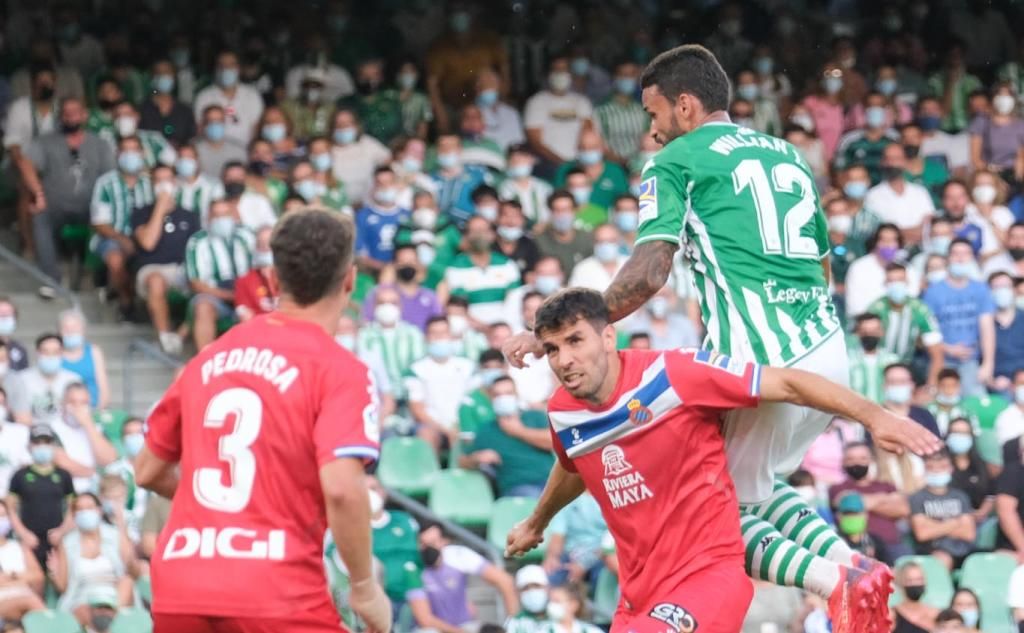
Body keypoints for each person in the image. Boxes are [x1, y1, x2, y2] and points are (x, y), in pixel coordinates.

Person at [503, 46, 941, 610]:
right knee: (757, 491)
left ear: (684, 106)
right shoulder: (787, 154)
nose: (653, 132)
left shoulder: (675, 161)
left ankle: (838, 586)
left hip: (761, 357)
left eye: (655, 115)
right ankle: (849, 562)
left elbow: (651, 269)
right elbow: (822, 263)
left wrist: (573, 330)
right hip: (827, 349)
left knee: (715, 515)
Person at [507, 289, 940, 631]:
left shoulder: (674, 375)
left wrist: (875, 416)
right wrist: (536, 522)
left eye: (574, 341)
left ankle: (839, 573)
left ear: (607, 336)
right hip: (637, 597)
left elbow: (787, 384)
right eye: (552, 349)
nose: (564, 360)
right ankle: (843, 570)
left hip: (707, 579)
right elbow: (571, 466)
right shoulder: (563, 410)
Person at [135, 209, 392, 632]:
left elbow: (146, 469)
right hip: (275, 585)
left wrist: (226, 518)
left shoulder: (208, 357)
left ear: (273, 280)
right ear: (349, 280)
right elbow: (344, 489)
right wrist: (364, 587)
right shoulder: (340, 369)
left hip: (181, 582)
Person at [17, 97, 113, 292]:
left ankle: (94, 276)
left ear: (84, 115)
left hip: (90, 206)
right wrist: (38, 193)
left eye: (75, 112)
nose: (71, 117)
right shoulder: (47, 141)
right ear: (60, 117)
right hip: (56, 204)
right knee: (39, 216)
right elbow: (25, 163)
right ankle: (51, 278)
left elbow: (111, 177)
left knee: (108, 218)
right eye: (66, 113)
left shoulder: (100, 144)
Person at [131, 164, 200, 354]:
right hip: (153, 269)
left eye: (168, 180)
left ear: (175, 182)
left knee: (203, 285)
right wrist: (160, 209)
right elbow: (147, 243)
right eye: (159, 180)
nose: (164, 185)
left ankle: (181, 335)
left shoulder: (190, 215)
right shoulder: (141, 212)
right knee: (156, 281)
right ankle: (165, 336)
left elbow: (197, 249)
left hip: (183, 269)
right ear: (153, 184)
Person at [90, 134, 154, 317]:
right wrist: (122, 239)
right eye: (125, 150)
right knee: (116, 259)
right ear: (118, 154)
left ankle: (117, 289)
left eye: (134, 150)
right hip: (112, 237)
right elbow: (99, 223)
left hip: (145, 237)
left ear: (142, 153)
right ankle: (126, 302)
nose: (130, 155)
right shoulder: (105, 183)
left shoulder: (150, 182)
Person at [411, 524, 519, 631]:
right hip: (435, 629)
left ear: (445, 541)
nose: (427, 548)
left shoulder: (457, 555)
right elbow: (425, 620)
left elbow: (505, 581)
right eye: (423, 544)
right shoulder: (412, 568)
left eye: (432, 543)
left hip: (464, 625)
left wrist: (512, 625)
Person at [924, 238, 996, 397]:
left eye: (965, 254)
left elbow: (987, 328)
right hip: (941, 361)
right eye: (956, 254)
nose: (961, 258)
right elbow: (926, 332)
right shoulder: (933, 292)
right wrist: (949, 348)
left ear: (972, 258)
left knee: (975, 405)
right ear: (948, 258)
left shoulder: (980, 289)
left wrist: (988, 363)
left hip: (971, 362)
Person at [460, 375, 554, 498]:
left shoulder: (535, 417)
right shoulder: (486, 430)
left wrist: (519, 431)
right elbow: (462, 461)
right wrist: (477, 458)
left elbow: (553, 442)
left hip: (551, 482)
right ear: (490, 398)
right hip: (518, 487)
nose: (503, 398)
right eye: (498, 395)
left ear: (516, 395)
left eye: (508, 393)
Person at [50, 492, 133, 623]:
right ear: (74, 515)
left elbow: (131, 568)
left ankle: (109, 620)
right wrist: (54, 573)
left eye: (89, 507)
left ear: (99, 511)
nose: (85, 512)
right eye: (80, 509)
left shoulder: (115, 535)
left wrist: (122, 525)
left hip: (114, 595)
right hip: (83, 597)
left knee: (127, 582)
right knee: (84, 610)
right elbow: (64, 588)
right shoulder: (67, 543)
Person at [829, 442, 913, 562]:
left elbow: (903, 510)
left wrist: (862, 501)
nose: (857, 463)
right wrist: (885, 498)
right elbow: (846, 503)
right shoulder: (838, 488)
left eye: (862, 458)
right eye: (851, 459)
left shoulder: (886, 486)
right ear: (843, 462)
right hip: (860, 547)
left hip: (892, 545)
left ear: (871, 460)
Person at [6, 424, 75, 567]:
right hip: (30, 540)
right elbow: (10, 508)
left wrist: (62, 531)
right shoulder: (20, 475)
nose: (42, 447)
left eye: (47, 442)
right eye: (37, 443)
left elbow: (73, 508)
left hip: (56, 539)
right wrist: (23, 533)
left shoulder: (63, 475)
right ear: (30, 446)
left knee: (59, 578)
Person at [406, 317, 476, 452]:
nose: (439, 338)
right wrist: (444, 429)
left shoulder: (468, 366)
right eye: (434, 333)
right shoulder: (416, 369)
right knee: (426, 434)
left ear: (450, 335)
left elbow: (474, 400)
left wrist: (459, 425)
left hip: (462, 422)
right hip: (432, 425)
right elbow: (417, 409)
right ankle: (430, 472)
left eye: (443, 333)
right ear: (426, 337)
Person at [866, 263, 943, 386]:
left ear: (907, 281)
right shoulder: (876, 309)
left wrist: (931, 387)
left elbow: (937, 353)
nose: (896, 285)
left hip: (909, 366)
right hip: (879, 368)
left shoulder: (920, 309)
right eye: (891, 281)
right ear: (885, 283)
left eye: (900, 280)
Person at [445, 216, 522, 325]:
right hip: (472, 331)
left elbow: (515, 302)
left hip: (506, 328)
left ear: (492, 235)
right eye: (475, 231)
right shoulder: (456, 267)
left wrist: (500, 329)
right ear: (466, 236)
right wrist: (485, 329)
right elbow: (459, 308)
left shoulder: (507, 265)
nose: (479, 235)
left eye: (483, 230)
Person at [524, 57, 594, 175]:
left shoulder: (582, 101)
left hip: (579, 163)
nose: (561, 74)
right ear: (549, 75)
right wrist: (562, 163)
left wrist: (578, 162)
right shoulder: (536, 102)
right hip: (548, 164)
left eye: (564, 70)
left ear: (571, 74)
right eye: (556, 70)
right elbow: (535, 140)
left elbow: (587, 133)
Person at [908, 451, 975, 570]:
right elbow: (922, 534)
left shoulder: (960, 496)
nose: (937, 471)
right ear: (924, 470)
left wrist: (932, 525)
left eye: (942, 467)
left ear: (951, 469)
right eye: (931, 467)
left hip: (964, 550)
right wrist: (955, 523)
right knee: (942, 560)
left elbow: (969, 534)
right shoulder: (917, 498)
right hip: (933, 551)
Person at [357, 285, 425, 401]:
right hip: (378, 399)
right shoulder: (364, 335)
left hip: (409, 398)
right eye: (381, 303)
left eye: (393, 303)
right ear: (374, 306)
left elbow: (418, 367)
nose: (387, 307)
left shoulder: (413, 334)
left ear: (400, 306)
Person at [862, 143, 935, 244]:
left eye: (897, 158)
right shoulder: (872, 195)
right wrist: (915, 232)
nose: (892, 163)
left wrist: (899, 233)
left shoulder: (920, 191)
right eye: (888, 159)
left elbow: (929, 225)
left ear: (905, 162)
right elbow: (880, 232)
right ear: (882, 162)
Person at [51, 382, 117, 494]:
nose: (78, 408)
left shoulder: (97, 428)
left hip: (95, 493)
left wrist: (88, 425)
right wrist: (94, 473)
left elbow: (108, 459)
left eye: (83, 403)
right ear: (63, 403)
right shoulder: (52, 428)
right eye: (72, 402)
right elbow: (62, 463)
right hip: (65, 490)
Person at [361, 246, 443, 332]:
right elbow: (366, 321)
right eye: (403, 262)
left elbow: (438, 325)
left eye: (411, 261)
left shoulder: (430, 297)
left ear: (419, 264)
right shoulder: (381, 294)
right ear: (395, 265)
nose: (407, 265)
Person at [7, 334, 82, 425]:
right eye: (45, 352)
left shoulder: (74, 380)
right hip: (32, 432)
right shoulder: (21, 379)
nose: (50, 356)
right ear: (37, 353)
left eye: (55, 352)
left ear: (62, 353)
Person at [193, 51, 264, 146]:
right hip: (213, 152)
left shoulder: (252, 95)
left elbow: (257, 128)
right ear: (216, 69)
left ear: (239, 68)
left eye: (231, 65)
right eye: (222, 65)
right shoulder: (204, 96)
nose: (226, 69)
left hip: (246, 152)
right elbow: (200, 129)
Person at [355, 167, 411, 277]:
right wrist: (386, 269)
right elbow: (360, 255)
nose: (385, 187)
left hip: (405, 275)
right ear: (373, 187)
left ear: (397, 185)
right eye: (380, 183)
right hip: (373, 275)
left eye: (389, 182)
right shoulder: (363, 216)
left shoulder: (408, 215)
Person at [329, 108, 391, 206]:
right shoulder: (328, 148)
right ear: (333, 128)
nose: (343, 127)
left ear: (356, 126)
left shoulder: (367, 143)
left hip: (368, 203)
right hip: (339, 205)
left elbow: (388, 161)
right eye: (339, 124)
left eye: (348, 123)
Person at [0, 499, 46, 623]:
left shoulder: (19, 547)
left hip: (26, 600)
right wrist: (21, 580)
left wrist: (11, 577)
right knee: (30, 601)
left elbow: (38, 577)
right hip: (11, 601)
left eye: (3, 515)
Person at [968, 83, 1024, 184]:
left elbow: (1021, 156)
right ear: (993, 98)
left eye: (1008, 95)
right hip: (988, 176)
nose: (1004, 99)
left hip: (1013, 177)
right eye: (1000, 95)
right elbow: (975, 159)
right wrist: (989, 171)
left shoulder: (1020, 125)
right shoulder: (981, 122)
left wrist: (1018, 178)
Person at [534, 190, 594, 279]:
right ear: (550, 213)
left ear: (574, 211)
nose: (562, 215)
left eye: (566, 210)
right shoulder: (538, 241)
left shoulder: (587, 239)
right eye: (557, 210)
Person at [139, 58, 196, 147]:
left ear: (174, 76)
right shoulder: (142, 109)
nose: (163, 76)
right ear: (152, 77)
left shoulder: (185, 110)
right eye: (158, 73)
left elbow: (191, 140)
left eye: (167, 72)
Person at [59, 310, 109, 409]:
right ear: (59, 332)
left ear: (83, 330)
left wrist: (97, 411)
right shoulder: (55, 353)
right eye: (66, 328)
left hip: (93, 408)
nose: (70, 332)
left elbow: (104, 388)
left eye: (75, 328)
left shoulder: (94, 351)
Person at [847, 313, 901, 404]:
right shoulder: (848, 360)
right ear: (857, 333)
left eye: (874, 331)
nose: (869, 335)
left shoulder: (892, 361)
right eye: (865, 331)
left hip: (886, 413)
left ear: (882, 332)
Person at [946, 418, 992, 520]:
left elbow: (990, 494)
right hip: (948, 519)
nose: (960, 437)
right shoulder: (940, 464)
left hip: (978, 519)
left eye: (965, 433)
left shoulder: (981, 464)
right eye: (956, 432)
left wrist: (982, 512)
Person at [498, 145, 553, 228]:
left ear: (532, 160)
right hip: (515, 230)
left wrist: (543, 226)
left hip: (544, 231)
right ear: (508, 163)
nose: (518, 163)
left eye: (522, 159)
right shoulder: (503, 188)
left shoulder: (545, 187)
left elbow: (553, 211)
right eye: (514, 160)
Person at [233, 226, 279, 322]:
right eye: (261, 244)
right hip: (260, 329)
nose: (266, 248)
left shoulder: (292, 276)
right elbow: (244, 314)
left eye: (270, 244)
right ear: (256, 248)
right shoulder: (244, 281)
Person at [568, 224, 628, 292]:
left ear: (619, 242)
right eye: (600, 241)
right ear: (593, 243)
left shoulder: (631, 264)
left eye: (611, 241)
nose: (605, 245)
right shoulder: (582, 269)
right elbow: (573, 298)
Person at [991, 271, 1024, 395]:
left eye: (1006, 287)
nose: (1002, 291)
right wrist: (991, 381)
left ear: (1014, 291)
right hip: (998, 383)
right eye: (997, 287)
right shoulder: (984, 323)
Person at [195, 105, 247, 179]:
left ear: (224, 122)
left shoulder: (239, 151)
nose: (214, 124)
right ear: (203, 124)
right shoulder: (194, 150)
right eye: (210, 121)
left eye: (219, 121)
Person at [891, 562, 938, 633]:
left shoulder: (935, 614)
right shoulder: (892, 615)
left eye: (919, 579)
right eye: (910, 580)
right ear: (901, 583)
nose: (916, 584)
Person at [504, 565, 551, 633]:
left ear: (547, 588)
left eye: (536, 586)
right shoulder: (514, 623)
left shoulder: (560, 618)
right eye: (526, 588)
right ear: (518, 593)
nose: (532, 591)